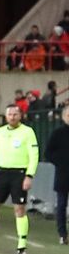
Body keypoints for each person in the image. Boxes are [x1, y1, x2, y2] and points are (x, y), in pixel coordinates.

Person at [0, 104, 40, 254]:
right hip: (2, 173)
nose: (12, 117)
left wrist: (29, 175)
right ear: (6, 116)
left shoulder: (28, 132)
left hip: (19, 173)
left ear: (20, 116)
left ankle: (22, 245)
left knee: (19, 209)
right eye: (9, 114)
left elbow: (34, 155)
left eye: (15, 114)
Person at [47, 104, 69, 245]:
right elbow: (48, 152)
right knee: (61, 205)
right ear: (64, 117)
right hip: (63, 174)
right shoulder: (57, 133)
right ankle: (62, 234)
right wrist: (60, 163)